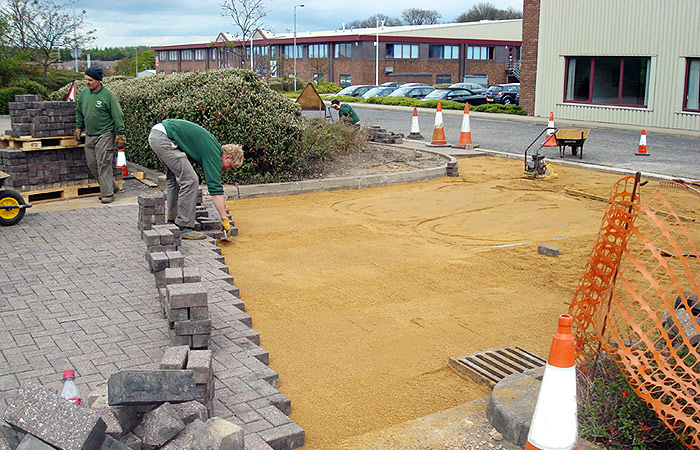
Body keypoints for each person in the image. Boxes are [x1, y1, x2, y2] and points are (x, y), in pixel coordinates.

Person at [148, 119, 244, 240]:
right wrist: (224, 219)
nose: (228, 169)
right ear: (228, 157)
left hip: (158, 135)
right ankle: (184, 226)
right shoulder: (214, 154)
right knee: (190, 180)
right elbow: (216, 192)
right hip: (164, 138)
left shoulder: (212, 146)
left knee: (174, 177)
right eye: (230, 166)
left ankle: (173, 218)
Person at [75, 66, 126, 204]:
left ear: (98, 80)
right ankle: (111, 186)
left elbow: (118, 115)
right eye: (86, 79)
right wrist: (78, 128)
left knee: (104, 163)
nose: (87, 82)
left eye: (90, 80)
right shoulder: (84, 94)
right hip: (90, 134)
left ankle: (107, 193)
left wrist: (120, 134)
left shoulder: (108, 96)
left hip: (105, 134)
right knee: (92, 163)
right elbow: (79, 112)